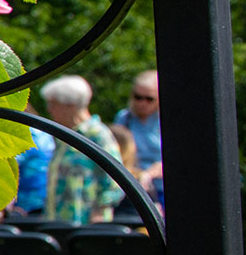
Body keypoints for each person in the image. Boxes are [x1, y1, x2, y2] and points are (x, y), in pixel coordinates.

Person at [39, 74, 123, 224]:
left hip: (86, 225)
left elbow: (117, 181)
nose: (49, 110)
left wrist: (100, 209)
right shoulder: (64, 136)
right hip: (57, 223)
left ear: (71, 105)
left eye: (53, 104)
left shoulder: (97, 135)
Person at [110, 70, 163, 189]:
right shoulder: (124, 118)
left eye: (149, 99)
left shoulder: (164, 120)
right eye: (138, 97)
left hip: (161, 189)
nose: (142, 103)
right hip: (132, 187)